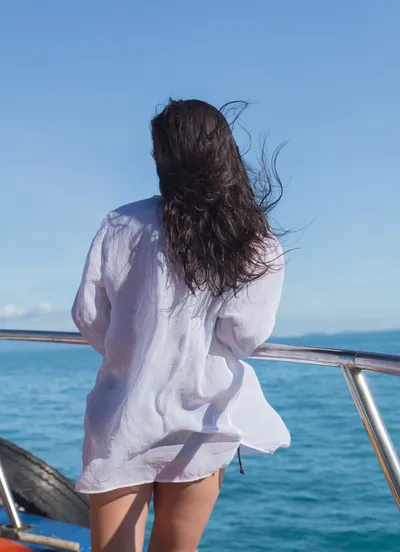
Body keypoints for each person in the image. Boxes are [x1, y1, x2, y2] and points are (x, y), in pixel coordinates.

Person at [72, 99, 290, 552]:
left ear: (165, 158)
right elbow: (244, 336)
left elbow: (89, 317)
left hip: (123, 416)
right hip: (202, 417)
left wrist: (135, 349)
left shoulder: (121, 223)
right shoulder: (253, 236)